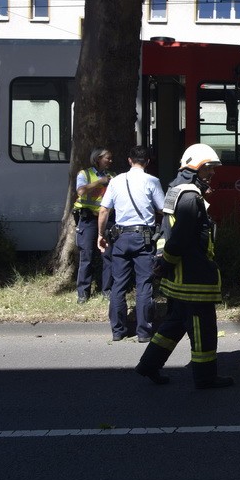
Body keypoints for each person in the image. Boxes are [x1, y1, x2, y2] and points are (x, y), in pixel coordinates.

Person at [135, 143, 233, 389]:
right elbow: (179, 238)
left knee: (174, 324)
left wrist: (164, 264)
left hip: (179, 277)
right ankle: (205, 377)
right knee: (203, 329)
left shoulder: (176, 190)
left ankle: (149, 365)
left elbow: (166, 233)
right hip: (192, 278)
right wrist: (166, 263)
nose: (212, 174)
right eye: (208, 169)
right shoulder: (190, 197)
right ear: (195, 168)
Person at [97, 146, 164, 342]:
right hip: (143, 237)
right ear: (148, 162)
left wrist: (101, 234)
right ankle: (144, 332)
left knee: (118, 284)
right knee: (144, 283)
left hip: (120, 237)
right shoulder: (152, 181)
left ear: (129, 160)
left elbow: (103, 210)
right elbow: (162, 208)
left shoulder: (116, 181)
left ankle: (118, 331)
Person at [74, 147, 114, 304]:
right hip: (89, 219)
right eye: (107, 158)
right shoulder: (84, 174)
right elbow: (81, 191)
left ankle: (107, 291)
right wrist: (99, 182)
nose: (110, 161)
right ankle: (83, 293)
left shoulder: (113, 176)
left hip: (107, 220)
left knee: (108, 256)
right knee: (87, 256)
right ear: (98, 159)